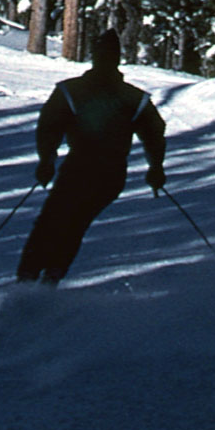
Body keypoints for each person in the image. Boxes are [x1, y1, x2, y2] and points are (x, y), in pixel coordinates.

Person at [16, 28, 165, 283]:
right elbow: (154, 134)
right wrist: (156, 169)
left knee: (53, 220)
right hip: (111, 175)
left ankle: (29, 278)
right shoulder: (135, 97)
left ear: (93, 57)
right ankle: (50, 276)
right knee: (74, 223)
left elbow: (49, 128)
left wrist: (47, 161)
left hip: (79, 169)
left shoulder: (70, 91)